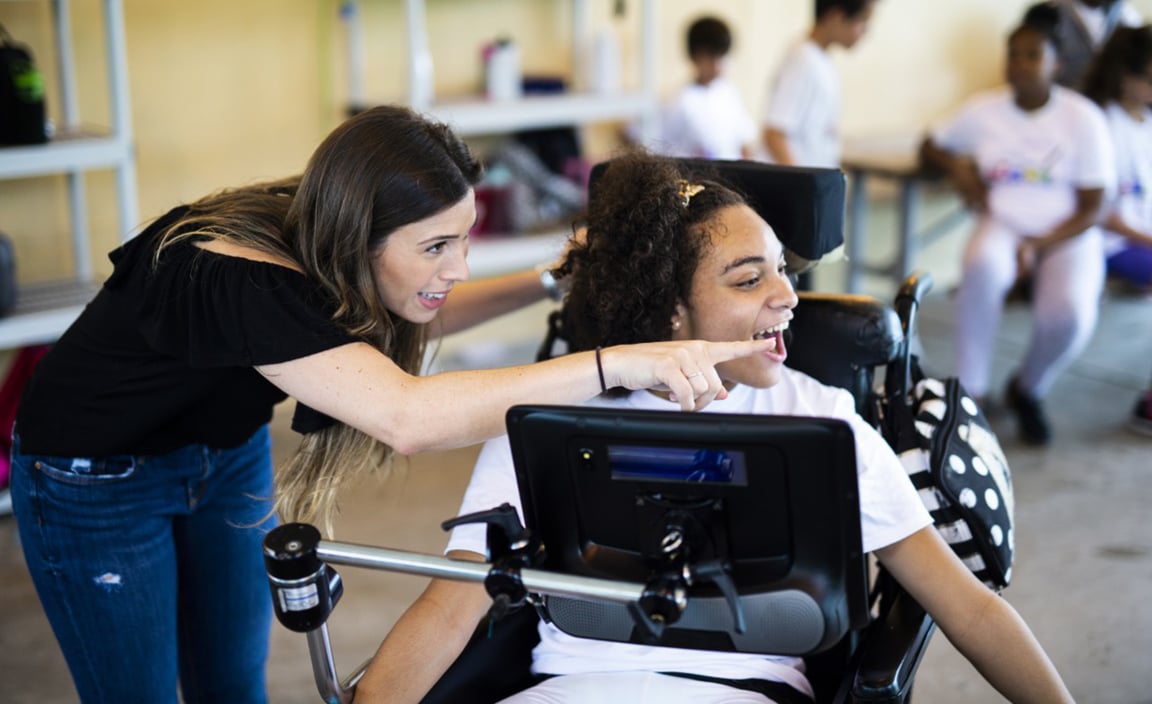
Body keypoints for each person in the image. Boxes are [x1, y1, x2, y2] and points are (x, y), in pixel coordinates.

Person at [7, 106, 771, 704]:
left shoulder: (330, 229)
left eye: (463, 239)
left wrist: (551, 278)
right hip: (97, 478)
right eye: (437, 247)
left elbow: (416, 307)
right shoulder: (235, 273)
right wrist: (616, 364)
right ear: (363, 238)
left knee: (232, 682)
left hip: (225, 453)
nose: (457, 266)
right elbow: (408, 418)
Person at [354, 151, 1075, 704]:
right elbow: (449, 608)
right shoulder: (548, 418)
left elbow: (968, 610)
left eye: (785, 271)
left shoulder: (820, 421)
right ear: (671, 312)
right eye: (748, 279)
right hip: (569, 686)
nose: (788, 296)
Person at [920, 3, 1116, 446]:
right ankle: (973, 392)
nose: (1021, 64)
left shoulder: (1082, 117)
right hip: (1004, 222)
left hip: (1068, 231)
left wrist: (1039, 245)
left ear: (1056, 64)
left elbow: (1094, 207)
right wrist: (957, 166)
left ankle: (1028, 387)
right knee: (981, 266)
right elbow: (930, 143)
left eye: (1033, 55)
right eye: (1013, 54)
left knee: (1068, 314)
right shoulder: (983, 110)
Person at [1081, 24, 1152, 434]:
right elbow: (1103, 213)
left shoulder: (1145, 121)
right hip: (1113, 242)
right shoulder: (1103, 123)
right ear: (1127, 76)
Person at [760, 0, 881, 169]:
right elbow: (774, 133)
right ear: (836, 16)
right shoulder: (803, 60)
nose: (866, 32)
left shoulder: (820, 59)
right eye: (863, 22)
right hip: (797, 185)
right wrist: (801, 184)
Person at [652, 15, 757, 161]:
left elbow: (744, 144)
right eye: (710, 57)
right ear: (694, 57)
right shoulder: (678, 101)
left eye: (721, 56)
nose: (717, 65)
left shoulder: (729, 93)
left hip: (734, 172)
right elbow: (651, 143)